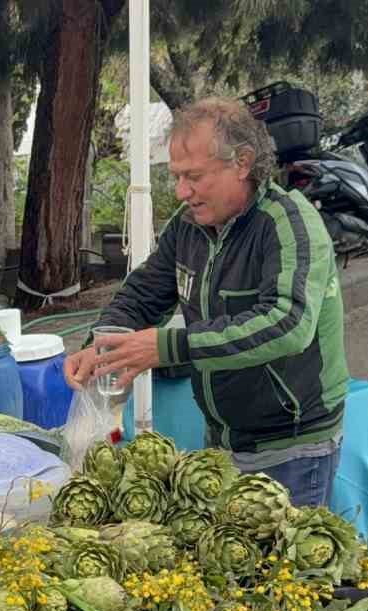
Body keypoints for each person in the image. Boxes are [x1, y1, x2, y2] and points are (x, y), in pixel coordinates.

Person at [64, 96, 349, 509]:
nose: (182, 192)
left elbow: (287, 323)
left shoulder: (288, 223)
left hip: (292, 446)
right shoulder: (189, 228)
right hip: (220, 440)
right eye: (177, 176)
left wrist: (166, 347)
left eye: (194, 176)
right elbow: (143, 294)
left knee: (284, 571)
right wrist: (100, 344)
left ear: (243, 162)